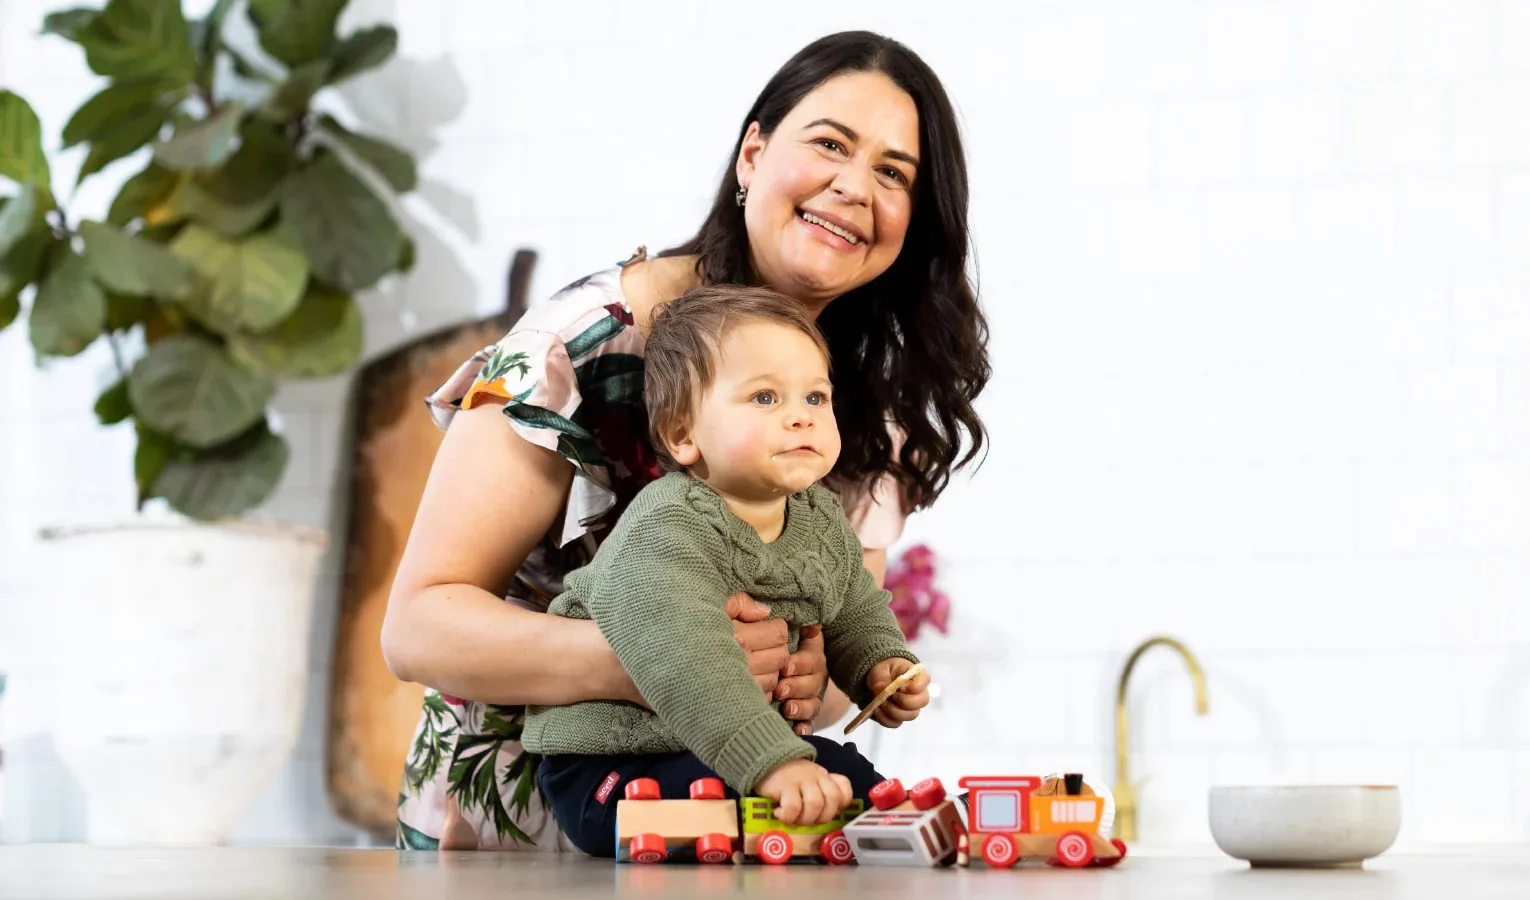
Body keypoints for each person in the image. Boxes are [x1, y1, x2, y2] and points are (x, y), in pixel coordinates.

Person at [383, 29, 991, 851]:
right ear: (752, 156)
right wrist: (650, 662)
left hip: (737, 831)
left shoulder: (867, 412)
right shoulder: (584, 345)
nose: (855, 186)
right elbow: (417, 629)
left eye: (893, 173)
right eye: (830, 145)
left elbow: (838, 631)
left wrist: (819, 678)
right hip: (516, 829)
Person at [526, 286, 930, 857]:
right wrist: (776, 763)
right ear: (682, 434)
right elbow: (694, 665)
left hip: (734, 746)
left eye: (816, 397)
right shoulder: (666, 529)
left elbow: (854, 603)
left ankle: (890, 832)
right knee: (728, 793)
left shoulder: (819, 516)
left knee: (848, 773)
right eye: (765, 398)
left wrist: (878, 664)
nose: (800, 418)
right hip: (613, 763)